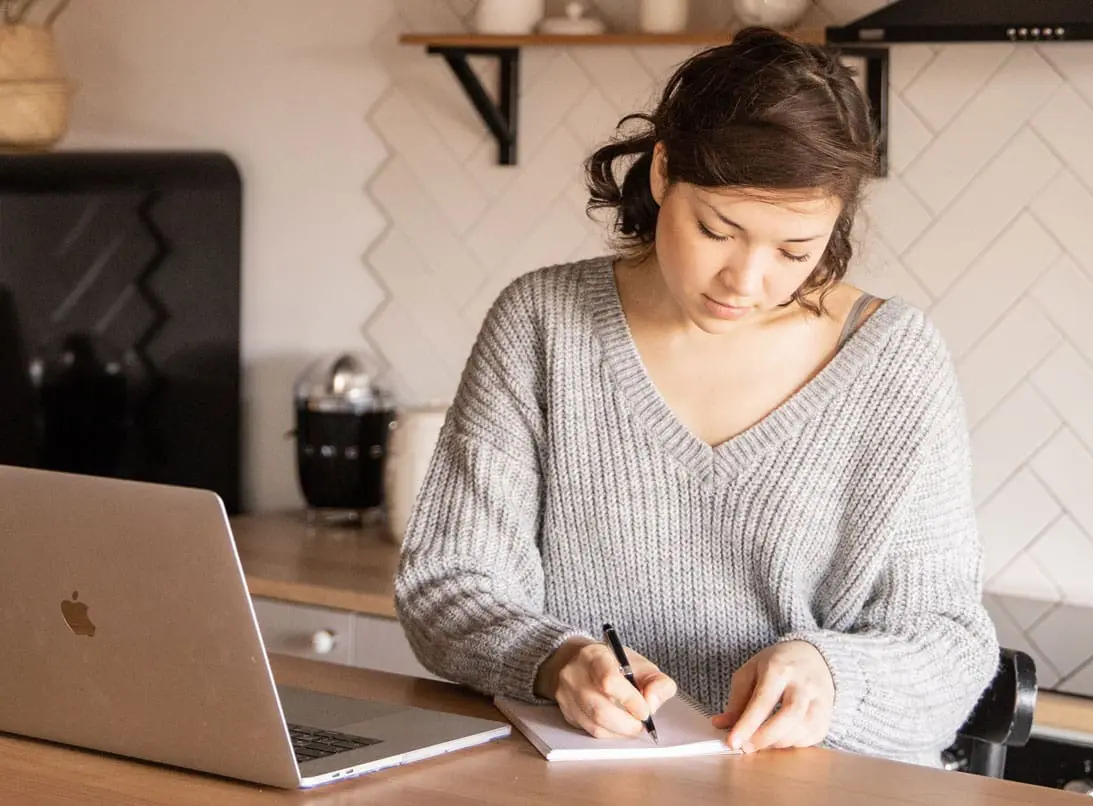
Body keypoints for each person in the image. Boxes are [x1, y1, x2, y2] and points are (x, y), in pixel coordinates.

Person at [394, 26, 998, 768]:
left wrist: (834, 675)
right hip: (580, 783)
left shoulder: (895, 361)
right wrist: (555, 660)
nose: (745, 281)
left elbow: (949, 639)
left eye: (794, 251)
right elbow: (448, 583)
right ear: (661, 173)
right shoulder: (543, 323)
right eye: (718, 230)